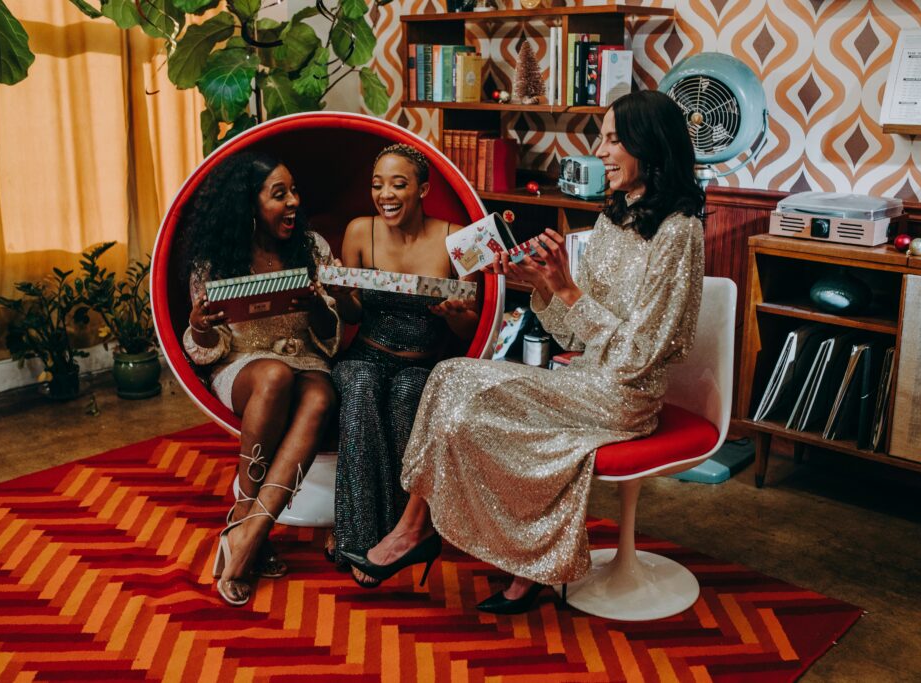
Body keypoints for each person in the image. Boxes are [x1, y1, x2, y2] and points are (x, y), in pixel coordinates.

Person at [339, 90, 706, 613]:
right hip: (585, 377)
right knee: (447, 376)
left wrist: (570, 291)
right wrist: (539, 285)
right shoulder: (614, 217)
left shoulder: (679, 233)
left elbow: (639, 356)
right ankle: (420, 529)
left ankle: (457, 544)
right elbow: (574, 339)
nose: (599, 151)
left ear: (651, 147)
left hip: (627, 397)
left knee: (462, 388)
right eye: (601, 137)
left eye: (613, 139)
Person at [180, 151, 340, 606]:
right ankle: (245, 525)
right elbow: (206, 348)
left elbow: (329, 336)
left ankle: (249, 533)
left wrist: (316, 308)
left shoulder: (312, 248)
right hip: (244, 366)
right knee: (273, 377)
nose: (293, 202)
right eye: (279, 194)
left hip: (306, 358)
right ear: (250, 204)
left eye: (294, 191)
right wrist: (199, 326)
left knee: (320, 397)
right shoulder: (216, 259)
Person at [328, 144, 478, 587]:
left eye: (398, 184)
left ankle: (399, 535)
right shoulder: (359, 231)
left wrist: (456, 315)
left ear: (423, 189)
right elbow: (353, 315)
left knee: (410, 393)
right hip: (366, 355)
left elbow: (474, 331)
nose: (385, 194)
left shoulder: (461, 237)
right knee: (359, 385)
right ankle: (356, 533)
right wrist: (340, 295)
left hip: (423, 363)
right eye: (377, 184)